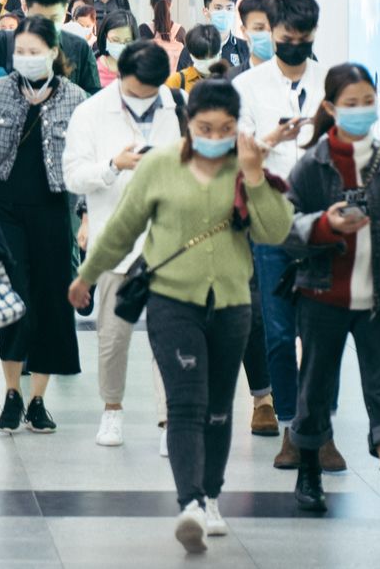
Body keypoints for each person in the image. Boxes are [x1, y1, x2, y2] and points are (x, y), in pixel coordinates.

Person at [68, 80, 293, 554]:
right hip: (172, 301)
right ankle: (190, 503)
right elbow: (123, 227)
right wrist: (86, 275)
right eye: (205, 127)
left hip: (232, 304)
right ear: (188, 123)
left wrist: (254, 176)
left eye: (225, 128)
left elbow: (275, 232)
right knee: (187, 403)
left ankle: (212, 496)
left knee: (217, 407)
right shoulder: (161, 166)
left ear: (238, 128)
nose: (215, 135)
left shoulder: (246, 167)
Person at [283, 63, 380, 525]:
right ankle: (309, 471)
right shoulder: (312, 166)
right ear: (332, 109)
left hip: (379, 300)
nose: (361, 111)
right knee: (315, 390)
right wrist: (324, 224)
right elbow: (283, 228)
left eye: (368, 102)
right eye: (350, 104)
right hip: (320, 297)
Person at [231, 0, 338, 468]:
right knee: (277, 329)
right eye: (285, 37)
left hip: (322, 222)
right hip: (270, 217)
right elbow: (239, 150)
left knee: (323, 333)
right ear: (271, 33)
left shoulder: (331, 81)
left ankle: (322, 428)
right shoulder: (249, 84)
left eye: (302, 38)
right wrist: (274, 136)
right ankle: (293, 428)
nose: (293, 44)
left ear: (313, 36)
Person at [63, 41, 186, 449]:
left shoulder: (177, 105)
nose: (146, 97)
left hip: (170, 240)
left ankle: (171, 422)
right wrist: (114, 166)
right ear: (120, 74)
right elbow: (73, 176)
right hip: (116, 239)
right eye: (137, 90)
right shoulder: (91, 111)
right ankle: (111, 410)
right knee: (113, 335)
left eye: (153, 90)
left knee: (169, 336)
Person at [0, 17, 87, 434]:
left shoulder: (75, 97)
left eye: (35, 52)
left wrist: (86, 215)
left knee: (51, 303)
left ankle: (38, 399)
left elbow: (84, 160)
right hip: (4, 209)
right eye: (21, 52)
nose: (27, 59)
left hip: (54, 209)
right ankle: (11, 392)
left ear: (55, 53)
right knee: (13, 299)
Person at [0, 0, 101, 94]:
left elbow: (93, 96)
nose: (46, 25)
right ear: (24, 8)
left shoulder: (79, 47)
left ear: (66, 11)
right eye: (39, 18)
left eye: (54, 18)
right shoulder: (2, 44)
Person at [178, 0, 250, 73]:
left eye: (229, 8)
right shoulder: (192, 48)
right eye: (218, 8)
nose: (224, 12)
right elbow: (181, 81)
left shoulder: (245, 48)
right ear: (206, 11)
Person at [223, 0, 277, 81]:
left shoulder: (294, 76)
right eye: (259, 28)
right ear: (244, 32)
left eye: (274, 27)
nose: (269, 34)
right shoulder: (230, 80)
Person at [139, 0, 187, 72]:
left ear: (151, 5)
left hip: (151, 82)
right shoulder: (180, 30)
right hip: (174, 83)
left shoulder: (144, 29)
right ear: (171, 4)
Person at [166, 25, 223, 94]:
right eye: (202, 58)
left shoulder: (231, 79)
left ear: (220, 52)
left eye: (212, 56)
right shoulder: (175, 81)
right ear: (191, 55)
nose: (208, 61)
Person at [95, 9, 137, 86]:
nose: (121, 45)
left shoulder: (139, 69)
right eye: (115, 40)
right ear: (105, 37)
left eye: (127, 41)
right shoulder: (92, 68)